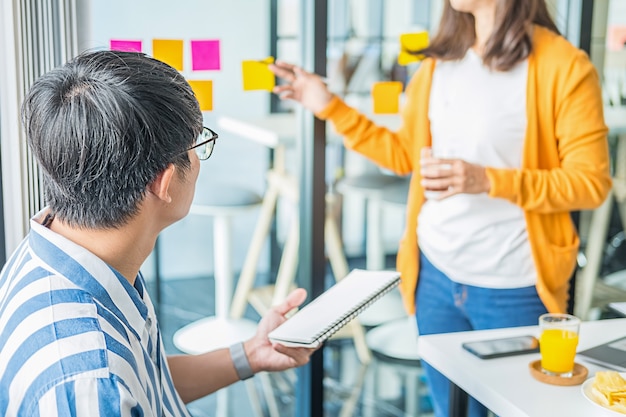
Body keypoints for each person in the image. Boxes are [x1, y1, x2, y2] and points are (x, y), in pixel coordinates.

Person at [269, 0, 612, 416]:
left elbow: (590, 184)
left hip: (513, 287)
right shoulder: (439, 63)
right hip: (434, 275)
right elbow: (403, 155)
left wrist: (486, 179)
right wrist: (328, 105)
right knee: (449, 409)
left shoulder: (565, 66)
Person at [0, 50, 315, 417]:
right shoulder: (88, 387)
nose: (198, 160)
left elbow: (142, 382)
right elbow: (109, 385)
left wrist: (249, 355)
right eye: (197, 145)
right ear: (163, 182)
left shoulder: (62, 250)